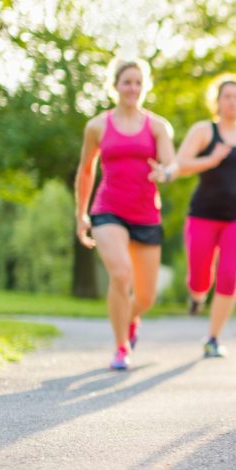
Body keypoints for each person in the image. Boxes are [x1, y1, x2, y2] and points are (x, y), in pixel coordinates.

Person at [152, 74, 236, 358]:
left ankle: (213, 337)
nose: (232, 102)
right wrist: (211, 159)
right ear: (217, 101)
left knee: (228, 276)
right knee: (200, 276)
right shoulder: (204, 130)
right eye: (227, 96)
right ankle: (196, 295)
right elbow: (180, 164)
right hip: (203, 213)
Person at [75, 58, 177, 370]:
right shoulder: (97, 126)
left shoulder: (158, 126)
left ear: (144, 87)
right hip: (108, 210)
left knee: (145, 298)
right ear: (115, 86)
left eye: (137, 82)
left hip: (146, 213)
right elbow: (86, 171)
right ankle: (121, 348)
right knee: (120, 274)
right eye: (126, 82)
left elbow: (171, 163)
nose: (132, 88)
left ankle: (131, 319)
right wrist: (81, 214)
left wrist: (166, 172)